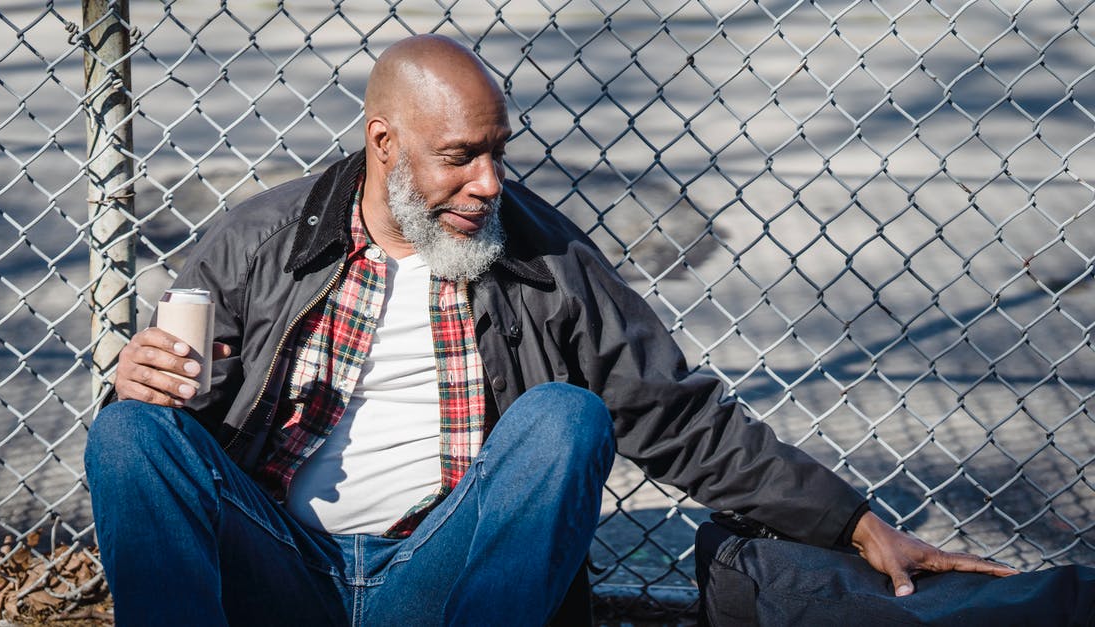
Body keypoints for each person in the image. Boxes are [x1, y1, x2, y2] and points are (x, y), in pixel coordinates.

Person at [85, 34, 1016, 626]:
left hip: (444, 582)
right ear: (383, 146)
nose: (490, 182)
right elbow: (175, 424)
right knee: (127, 434)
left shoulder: (538, 254)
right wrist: (142, 384)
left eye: (497, 151)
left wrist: (850, 522)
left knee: (567, 417)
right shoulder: (258, 240)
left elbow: (678, 415)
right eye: (460, 157)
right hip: (279, 571)